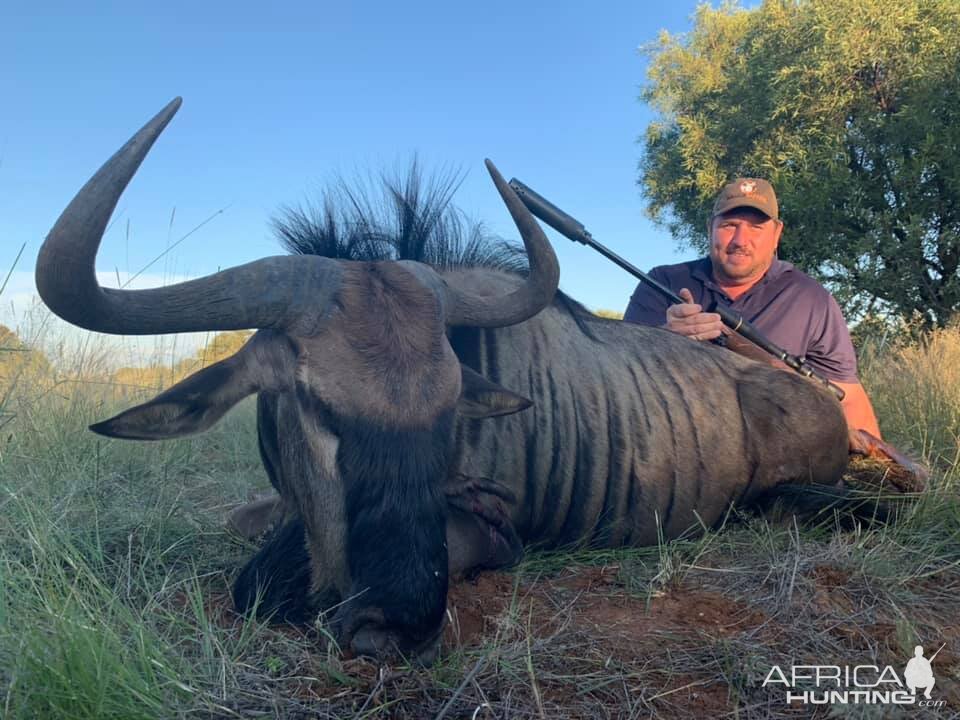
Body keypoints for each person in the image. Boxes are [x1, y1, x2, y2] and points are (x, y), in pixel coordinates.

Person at [624, 177, 881, 438]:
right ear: (709, 228)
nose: (740, 239)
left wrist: (878, 472)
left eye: (756, 227)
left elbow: (847, 398)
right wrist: (663, 339)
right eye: (729, 225)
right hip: (678, 446)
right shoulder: (661, 282)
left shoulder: (812, 299)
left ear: (777, 234)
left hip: (775, 457)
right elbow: (620, 376)